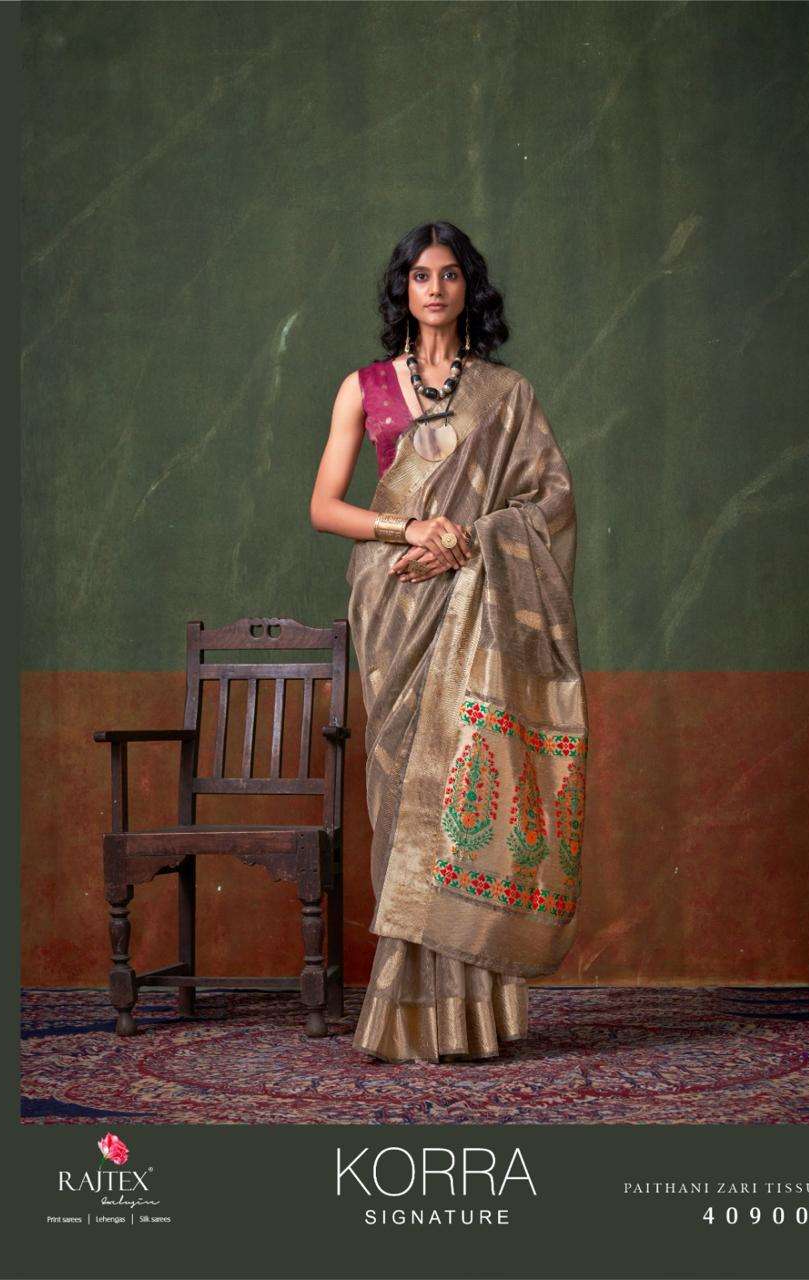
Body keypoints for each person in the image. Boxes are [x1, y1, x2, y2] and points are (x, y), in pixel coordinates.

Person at [309, 220, 588, 1064]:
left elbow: (552, 501)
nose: (435, 288)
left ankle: (473, 1017)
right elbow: (325, 506)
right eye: (421, 275)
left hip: (478, 609)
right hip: (395, 607)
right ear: (403, 289)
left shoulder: (507, 394)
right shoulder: (365, 388)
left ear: (471, 288)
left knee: (471, 790)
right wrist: (413, 528)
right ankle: (408, 1014)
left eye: (451, 274)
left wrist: (471, 539)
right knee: (404, 798)